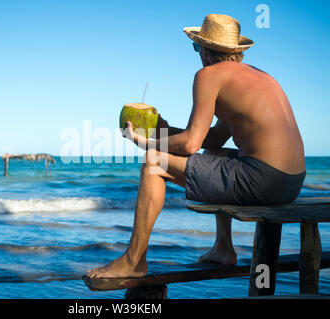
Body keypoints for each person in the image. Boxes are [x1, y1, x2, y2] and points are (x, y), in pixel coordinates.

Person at [86, 14, 306, 278]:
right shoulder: (259, 78)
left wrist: (145, 142)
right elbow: (211, 140)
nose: (197, 55)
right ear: (235, 52)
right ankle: (223, 247)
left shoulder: (208, 75)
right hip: (291, 183)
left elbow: (190, 144)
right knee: (214, 154)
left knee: (155, 163)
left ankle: (133, 262)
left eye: (196, 48)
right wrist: (163, 129)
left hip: (263, 181)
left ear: (205, 50)